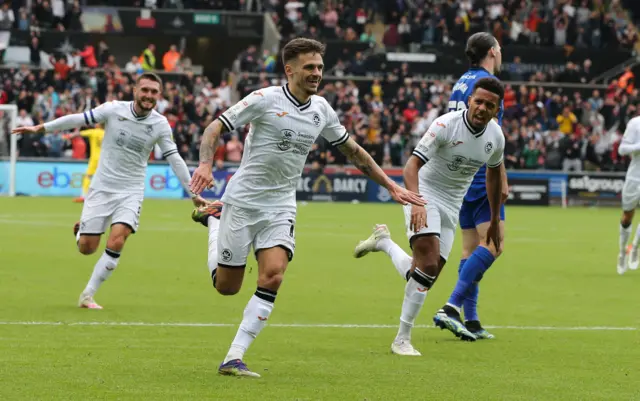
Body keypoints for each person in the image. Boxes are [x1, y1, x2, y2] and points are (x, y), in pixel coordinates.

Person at [188, 37, 425, 377]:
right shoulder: (265, 99)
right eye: (309, 67)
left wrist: (390, 185)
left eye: (320, 68)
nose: (316, 74)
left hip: (281, 205)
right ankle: (214, 222)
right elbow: (215, 127)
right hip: (242, 201)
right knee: (228, 287)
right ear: (290, 70)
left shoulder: (322, 110)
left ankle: (233, 357)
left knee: (273, 274)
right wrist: (206, 164)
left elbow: (354, 152)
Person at [12, 72, 207, 309]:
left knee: (118, 239)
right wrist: (42, 128)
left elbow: (174, 158)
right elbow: (78, 119)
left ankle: (88, 295)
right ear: (135, 90)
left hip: (131, 190)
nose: (148, 95)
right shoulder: (114, 109)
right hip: (102, 187)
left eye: (154, 92)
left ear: (159, 95)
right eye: (144, 90)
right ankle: (80, 231)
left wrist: (193, 192)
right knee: (87, 248)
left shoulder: (160, 124)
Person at [354, 77, 505, 354]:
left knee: (423, 273)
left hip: (452, 204)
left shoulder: (495, 137)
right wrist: (418, 203)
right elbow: (411, 166)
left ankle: (384, 242)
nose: (482, 108)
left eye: (490, 105)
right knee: (430, 266)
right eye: (479, 101)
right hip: (423, 191)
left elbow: (495, 178)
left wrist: (495, 220)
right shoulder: (445, 124)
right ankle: (402, 339)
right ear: (470, 100)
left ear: (497, 109)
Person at [616, 110, 640, 274]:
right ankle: (622, 251)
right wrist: (638, 146)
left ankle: (636, 247)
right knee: (627, 215)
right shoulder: (635, 123)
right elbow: (622, 149)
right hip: (635, 177)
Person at [67, 124, 105, 203]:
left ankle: (84, 196)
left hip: (95, 159)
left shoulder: (94, 132)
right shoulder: (106, 133)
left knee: (88, 177)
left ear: (98, 125)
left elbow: (78, 134)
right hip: (104, 159)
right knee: (103, 178)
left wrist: (69, 135)